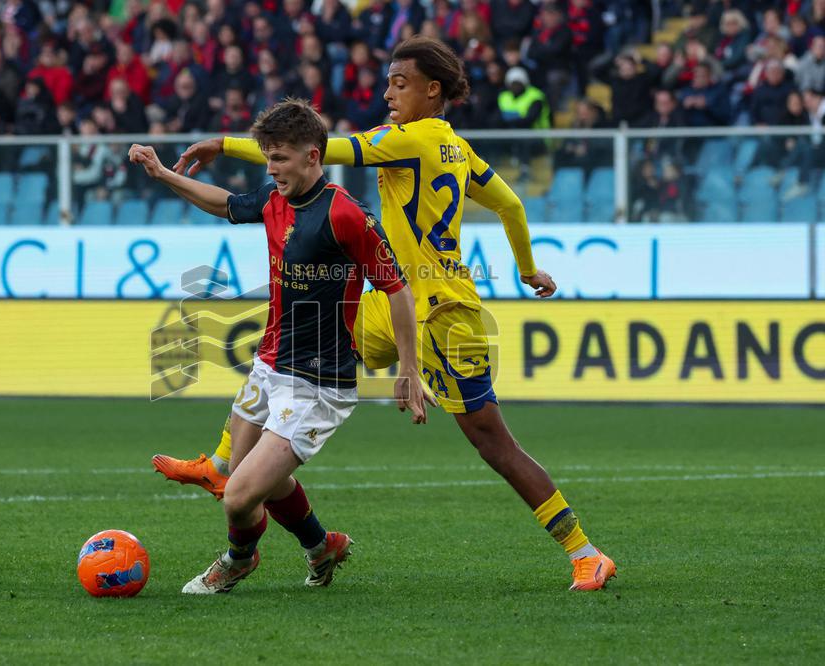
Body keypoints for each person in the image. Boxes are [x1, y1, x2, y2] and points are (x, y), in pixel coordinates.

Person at [156, 35, 617, 592]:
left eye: (400, 83)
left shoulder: (408, 139)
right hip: (388, 303)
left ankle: (585, 552)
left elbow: (318, 148)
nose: (389, 92)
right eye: (389, 82)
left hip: (444, 314)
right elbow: (511, 205)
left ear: (432, 90)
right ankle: (229, 465)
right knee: (296, 348)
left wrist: (222, 143)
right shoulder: (454, 147)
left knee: (492, 441)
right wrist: (525, 268)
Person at [129, 99, 429, 594]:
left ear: (314, 156)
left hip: (320, 384)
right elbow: (224, 203)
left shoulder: (347, 215)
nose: (271, 168)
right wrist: (163, 174)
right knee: (241, 483)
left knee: (238, 496)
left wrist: (408, 369)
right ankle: (322, 546)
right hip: (271, 367)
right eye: (268, 157)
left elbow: (397, 289)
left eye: (281, 158)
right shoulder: (275, 200)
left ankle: (238, 559)